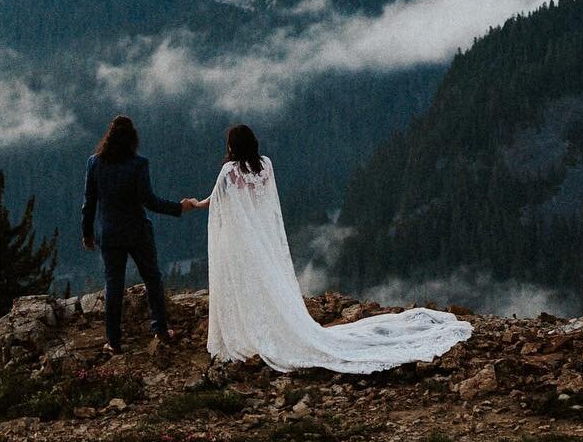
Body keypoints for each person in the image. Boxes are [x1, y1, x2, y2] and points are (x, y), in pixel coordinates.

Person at [182, 123, 472, 373]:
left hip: (242, 241)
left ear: (232, 146)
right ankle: (273, 324)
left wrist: (195, 204)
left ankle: (250, 331)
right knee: (267, 282)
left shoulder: (229, 171)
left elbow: (217, 200)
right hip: (263, 237)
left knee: (247, 285)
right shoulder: (265, 165)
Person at [81, 113, 188, 353]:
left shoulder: (94, 163)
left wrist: (87, 234)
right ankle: (160, 329)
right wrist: (179, 207)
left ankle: (114, 341)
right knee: (152, 278)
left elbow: (89, 202)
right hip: (138, 232)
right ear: (132, 138)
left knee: (114, 285)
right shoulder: (139, 164)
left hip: (109, 234)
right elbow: (149, 201)